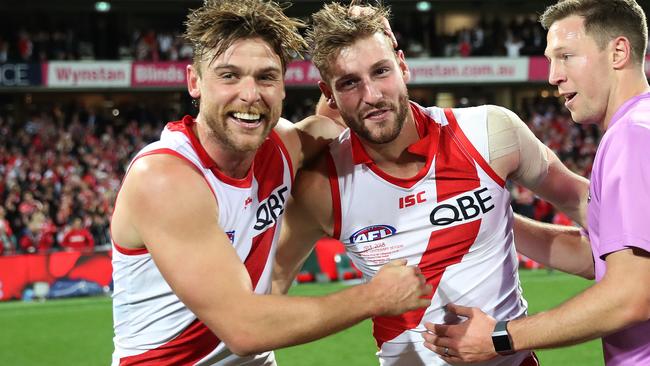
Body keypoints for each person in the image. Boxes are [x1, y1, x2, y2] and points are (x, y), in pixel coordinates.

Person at [109, 1, 432, 365]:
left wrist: (367, 41)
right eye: (229, 76)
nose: (250, 94)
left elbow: (336, 125)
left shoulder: (281, 148)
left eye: (266, 77)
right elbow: (244, 329)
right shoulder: (165, 178)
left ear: (282, 88)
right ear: (194, 81)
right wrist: (375, 297)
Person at [271, 2, 589, 365]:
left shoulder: (490, 132)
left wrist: (631, 269)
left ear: (403, 66)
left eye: (381, 71)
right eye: (349, 83)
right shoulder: (323, 185)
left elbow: (583, 202)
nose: (372, 95)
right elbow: (268, 294)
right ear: (328, 92)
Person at [423, 1, 650, 365]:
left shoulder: (632, 137)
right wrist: (494, 221)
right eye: (550, 59)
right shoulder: (639, 127)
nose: (553, 76)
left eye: (566, 56)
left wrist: (500, 336)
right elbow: (602, 259)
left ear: (618, 52)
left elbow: (632, 294)